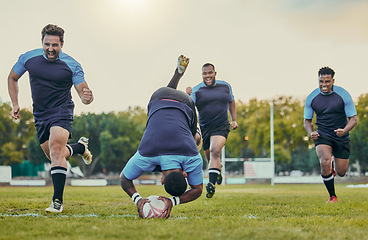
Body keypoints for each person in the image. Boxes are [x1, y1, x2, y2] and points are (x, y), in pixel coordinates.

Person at [7, 24, 94, 213]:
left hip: (61, 111)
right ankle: (80, 148)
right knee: (57, 155)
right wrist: (15, 103)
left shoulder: (72, 64)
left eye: (55, 45)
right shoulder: (28, 58)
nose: (50, 49)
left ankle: (57, 201)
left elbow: (82, 92)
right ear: (42, 43)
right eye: (47, 44)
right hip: (39, 114)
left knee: (56, 149)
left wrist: (87, 98)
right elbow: (12, 78)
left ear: (62, 44)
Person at [120, 55, 203, 219]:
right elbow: (125, 179)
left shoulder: (193, 158)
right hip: (160, 100)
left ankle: (177, 74)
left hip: (172, 97)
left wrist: (139, 200)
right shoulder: (146, 153)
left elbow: (197, 189)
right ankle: (198, 132)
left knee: (171, 104)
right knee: (196, 138)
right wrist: (171, 202)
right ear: (162, 180)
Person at [304, 66, 357, 203]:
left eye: (327, 81)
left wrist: (345, 130)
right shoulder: (312, 97)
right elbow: (307, 121)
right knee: (324, 161)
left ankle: (333, 165)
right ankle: (332, 196)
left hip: (341, 135)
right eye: (321, 81)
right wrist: (311, 132)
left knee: (341, 172)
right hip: (323, 134)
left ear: (333, 81)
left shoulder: (343, 94)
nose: (324, 85)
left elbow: (354, 119)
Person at [186, 63, 238, 198]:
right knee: (210, 157)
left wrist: (233, 119)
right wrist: (187, 95)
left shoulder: (225, 86)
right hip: (204, 129)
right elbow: (189, 106)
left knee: (216, 151)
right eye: (204, 73)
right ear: (202, 75)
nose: (207, 76)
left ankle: (211, 184)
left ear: (215, 73)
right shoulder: (196, 90)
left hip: (221, 126)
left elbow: (231, 101)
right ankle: (218, 169)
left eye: (210, 73)